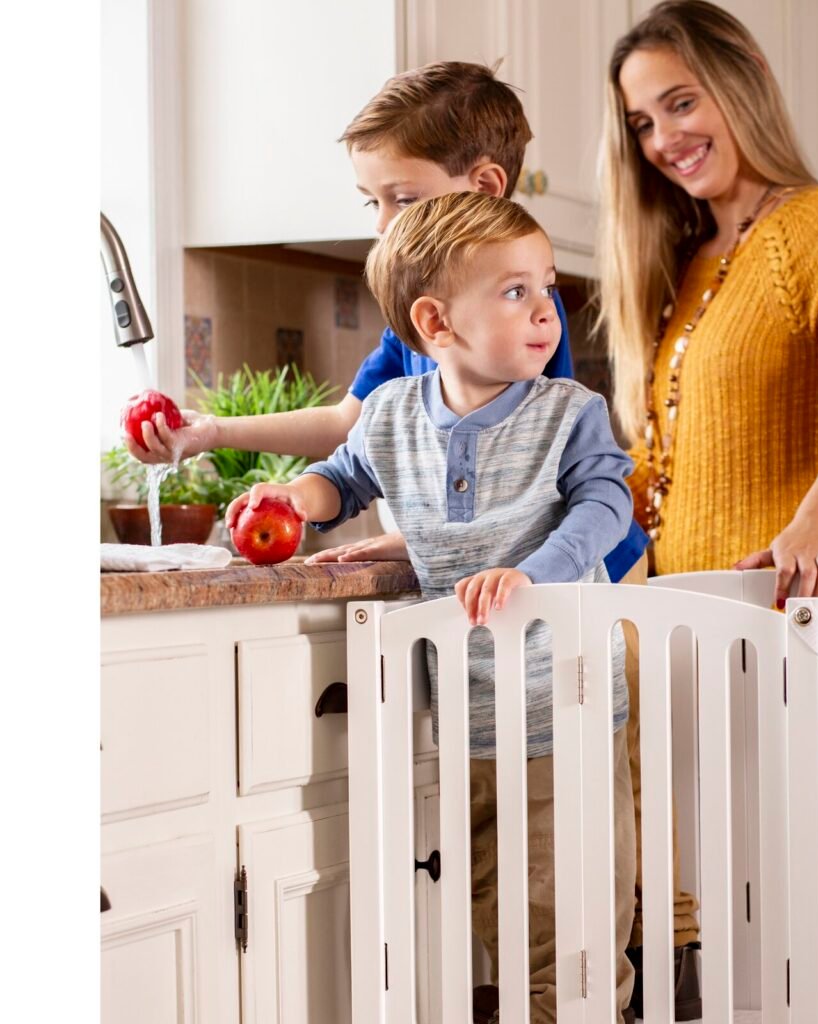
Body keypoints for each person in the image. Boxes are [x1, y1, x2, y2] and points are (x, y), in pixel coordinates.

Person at [226, 192, 639, 1024]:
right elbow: (340, 481)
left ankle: (594, 1013)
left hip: (565, 706)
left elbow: (607, 506)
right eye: (515, 291)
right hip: (463, 717)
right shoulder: (389, 417)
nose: (546, 310)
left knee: (571, 906)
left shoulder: (570, 413)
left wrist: (537, 572)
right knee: (492, 888)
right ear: (437, 322)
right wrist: (297, 500)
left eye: (547, 286)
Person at [597, 2, 818, 1017]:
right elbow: (655, 470)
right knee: (703, 934)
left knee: (789, 925)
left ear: (740, 85)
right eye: (642, 122)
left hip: (785, 623)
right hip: (682, 638)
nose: (664, 138)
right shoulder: (680, 268)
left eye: (680, 102)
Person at [125, 59, 647, 584]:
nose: (381, 222)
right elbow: (351, 429)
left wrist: (425, 539)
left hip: (594, 559)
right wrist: (212, 433)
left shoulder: (513, 314)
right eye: (373, 201)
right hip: (496, 575)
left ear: (485, 187)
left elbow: (531, 473)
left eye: (404, 198)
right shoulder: (423, 329)